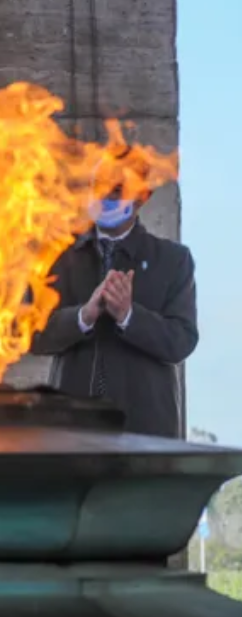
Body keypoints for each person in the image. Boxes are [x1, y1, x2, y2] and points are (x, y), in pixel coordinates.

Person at [29, 170, 198, 438]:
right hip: (71, 429)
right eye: (99, 186)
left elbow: (181, 341)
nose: (106, 195)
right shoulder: (59, 257)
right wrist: (83, 316)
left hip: (146, 430)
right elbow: (31, 335)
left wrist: (129, 316)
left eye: (118, 189)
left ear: (143, 196)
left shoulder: (173, 260)